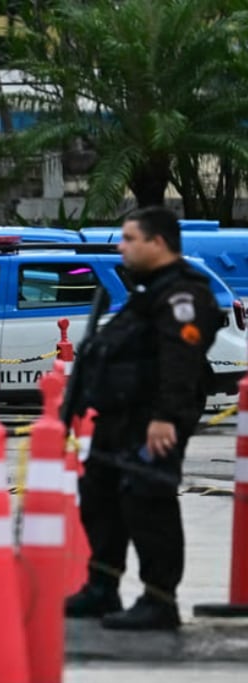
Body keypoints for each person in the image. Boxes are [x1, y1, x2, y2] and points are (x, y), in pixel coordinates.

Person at [64, 206, 221, 631]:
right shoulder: (147, 293)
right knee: (101, 499)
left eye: (130, 238)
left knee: (147, 502)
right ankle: (102, 587)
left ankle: (158, 600)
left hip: (152, 421)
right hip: (117, 419)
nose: (122, 246)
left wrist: (166, 417)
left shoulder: (182, 295)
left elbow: (181, 361)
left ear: (158, 242)